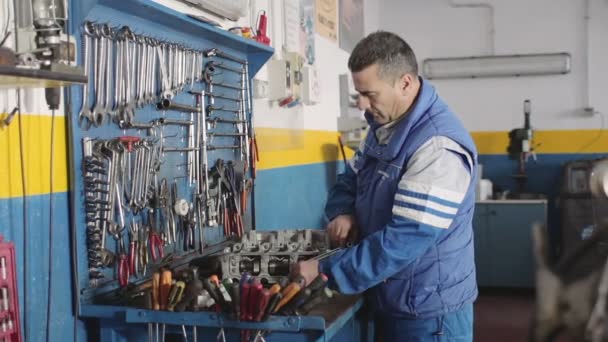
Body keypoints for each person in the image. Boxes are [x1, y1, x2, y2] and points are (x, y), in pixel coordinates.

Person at [293, 31, 478, 341]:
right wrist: (343, 212)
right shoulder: (384, 126)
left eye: (370, 94)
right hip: (392, 294)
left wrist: (327, 272)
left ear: (405, 83)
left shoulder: (437, 146)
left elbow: (405, 238)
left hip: (430, 312)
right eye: (358, 94)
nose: (363, 105)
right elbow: (350, 178)